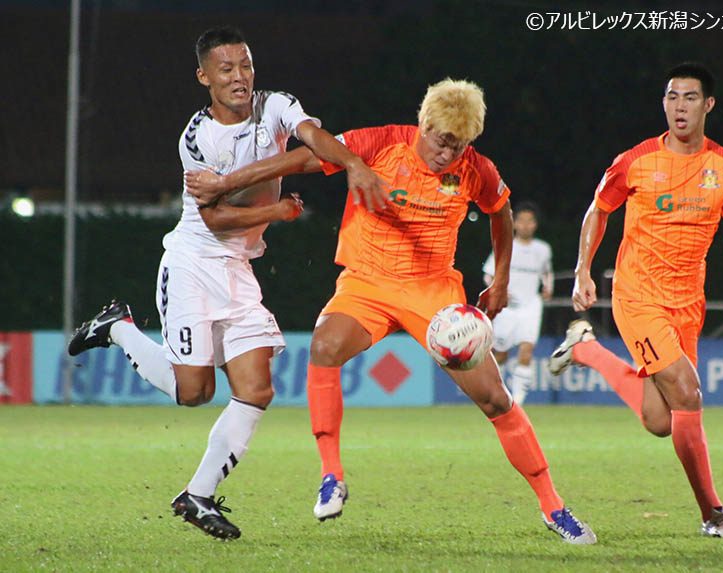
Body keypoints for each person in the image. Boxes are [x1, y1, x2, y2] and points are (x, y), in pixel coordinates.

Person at [186, 78, 597, 544]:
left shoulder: (475, 169)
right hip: (369, 282)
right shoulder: (382, 142)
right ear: (424, 125)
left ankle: (553, 506)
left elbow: (499, 210)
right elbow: (304, 158)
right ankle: (331, 475)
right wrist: (227, 182)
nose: (448, 153)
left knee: (495, 399)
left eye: (459, 145)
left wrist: (500, 280)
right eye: (442, 141)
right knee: (324, 347)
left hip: (434, 294)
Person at [67, 26, 386, 540]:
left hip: (239, 269)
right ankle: (118, 328)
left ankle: (197, 495)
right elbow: (214, 219)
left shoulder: (275, 105)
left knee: (257, 389)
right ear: (204, 77)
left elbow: (314, 139)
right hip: (193, 264)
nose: (240, 77)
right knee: (193, 392)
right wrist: (276, 211)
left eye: (246, 65)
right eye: (227, 69)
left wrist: (351, 163)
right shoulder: (196, 139)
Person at [548, 62, 723, 538]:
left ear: (708, 105)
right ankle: (713, 514)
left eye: (690, 97)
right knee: (688, 391)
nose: (679, 106)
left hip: (687, 302)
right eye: (672, 97)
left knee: (661, 420)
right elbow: (598, 211)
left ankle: (586, 350)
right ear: (664, 103)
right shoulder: (635, 160)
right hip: (638, 294)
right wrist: (582, 269)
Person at [482, 201, 553, 404]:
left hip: (531, 306)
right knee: (501, 354)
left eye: (529, 221)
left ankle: (518, 402)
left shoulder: (543, 249)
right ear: (514, 223)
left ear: (535, 224)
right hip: (507, 308)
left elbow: (546, 272)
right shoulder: (505, 244)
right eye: (521, 221)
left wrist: (548, 288)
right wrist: (498, 289)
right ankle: (495, 393)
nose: (525, 225)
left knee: (526, 350)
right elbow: (488, 274)